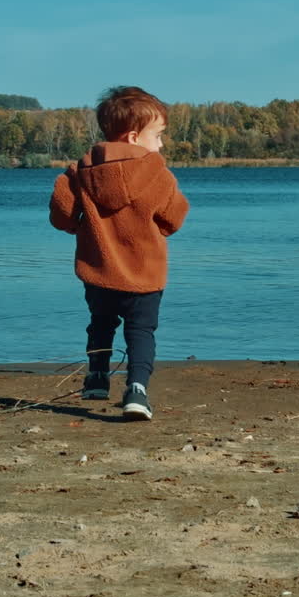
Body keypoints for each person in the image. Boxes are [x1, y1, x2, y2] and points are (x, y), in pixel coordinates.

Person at [49, 86, 189, 420]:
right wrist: (156, 230)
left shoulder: (79, 173)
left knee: (101, 322)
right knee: (141, 331)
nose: (161, 144)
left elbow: (61, 214)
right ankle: (137, 390)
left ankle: (97, 376)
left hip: (99, 269)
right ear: (132, 137)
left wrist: (82, 229)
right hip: (144, 271)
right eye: (158, 136)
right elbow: (174, 217)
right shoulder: (158, 175)